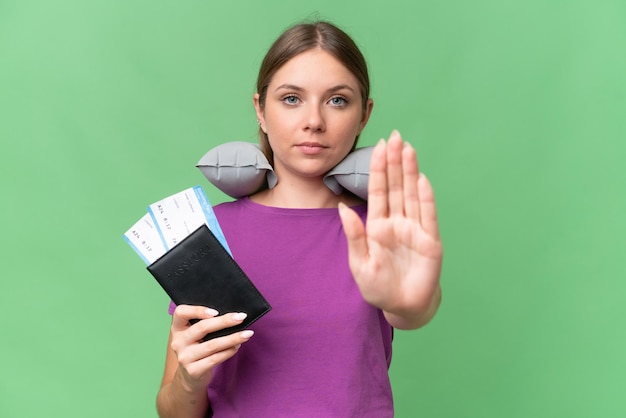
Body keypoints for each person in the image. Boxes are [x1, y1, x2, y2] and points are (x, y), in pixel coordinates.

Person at [156, 20, 443, 418]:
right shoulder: (212, 233)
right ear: (260, 108)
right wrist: (190, 379)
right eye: (291, 98)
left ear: (364, 115)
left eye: (337, 100)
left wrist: (411, 304)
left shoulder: (382, 230)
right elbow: (173, 411)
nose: (314, 121)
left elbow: (411, 308)